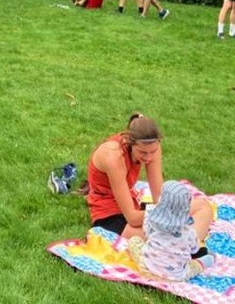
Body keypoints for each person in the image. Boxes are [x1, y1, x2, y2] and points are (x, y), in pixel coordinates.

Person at [86, 112, 212, 245]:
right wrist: (171, 216)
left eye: (153, 152)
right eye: (143, 153)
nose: (148, 158)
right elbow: (132, 218)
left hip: (134, 206)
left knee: (203, 206)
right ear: (131, 143)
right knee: (167, 239)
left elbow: (158, 197)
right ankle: (186, 243)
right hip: (111, 216)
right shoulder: (113, 157)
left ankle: (186, 243)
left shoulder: (152, 147)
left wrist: (171, 214)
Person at [127, 180, 215, 281]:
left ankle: (153, 271)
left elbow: (146, 233)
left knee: (134, 241)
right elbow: (194, 248)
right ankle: (209, 259)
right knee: (195, 266)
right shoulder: (188, 232)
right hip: (176, 276)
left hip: (148, 266)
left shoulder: (151, 219)